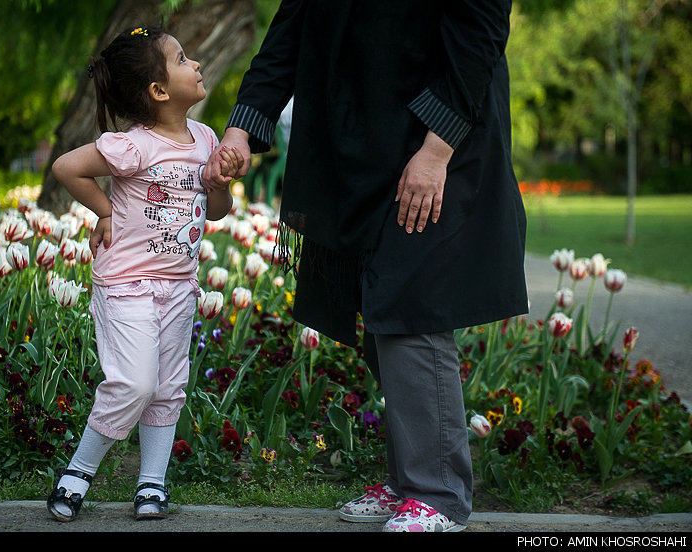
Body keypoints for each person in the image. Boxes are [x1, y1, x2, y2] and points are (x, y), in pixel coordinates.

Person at [203, 1, 528, 533]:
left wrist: (436, 152)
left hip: (439, 145)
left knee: (410, 305)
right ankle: (408, 483)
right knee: (379, 309)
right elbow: (288, 35)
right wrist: (241, 130)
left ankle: (438, 495)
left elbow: (479, 36)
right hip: (357, 144)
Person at [48, 25, 238, 522]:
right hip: (127, 284)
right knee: (133, 384)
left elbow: (217, 211)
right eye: (183, 59)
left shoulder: (206, 139)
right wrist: (105, 211)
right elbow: (67, 167)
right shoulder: (133, 146)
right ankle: (78, 472)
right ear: (158, 90)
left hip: (179, 286)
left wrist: (219, 183)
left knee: (168, 387)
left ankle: (152, 483)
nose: (196, 65)